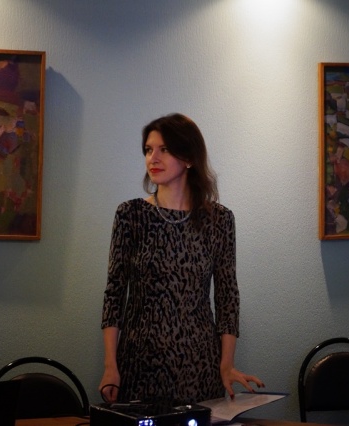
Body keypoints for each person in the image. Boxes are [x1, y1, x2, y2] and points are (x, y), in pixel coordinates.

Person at [99, 113, 264, 404]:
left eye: (164, 149)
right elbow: (114, 294)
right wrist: (110, 366)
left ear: (188, 158)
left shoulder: (219, 220)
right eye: (148, 150)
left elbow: (227, 297)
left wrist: (226, 364)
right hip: (139, 363)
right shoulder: (131, 215)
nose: (153, 158)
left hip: (199, 366)